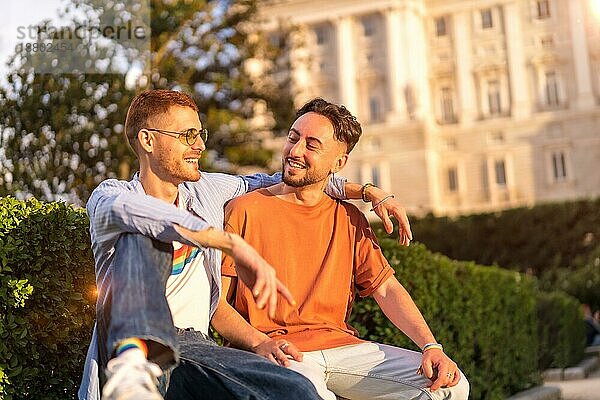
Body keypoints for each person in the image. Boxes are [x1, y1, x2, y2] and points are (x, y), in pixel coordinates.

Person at [78, 90, 412, 400]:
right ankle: (136, 368)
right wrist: (229, 244)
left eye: (200, 135)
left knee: (296, 388)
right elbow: (138, 214)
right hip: (126, 345)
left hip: (194, 346)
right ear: (148, 140)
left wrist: (370, 192)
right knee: (142, 237)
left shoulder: (207, 190)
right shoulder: (112, 195)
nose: (199, 147)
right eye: (186, 136)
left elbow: (291, 179)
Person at [219, 98, 470, 400]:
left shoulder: (350, 218)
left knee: (451, 387)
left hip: (341, 348)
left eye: (312, 145)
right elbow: (216, 304)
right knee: (311, 394)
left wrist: (431, 346)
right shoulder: (244, 210)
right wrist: (259, 343)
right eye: (293, 138)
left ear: (339, 164)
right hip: (275, 350)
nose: (295, 151)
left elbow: (386, 288)